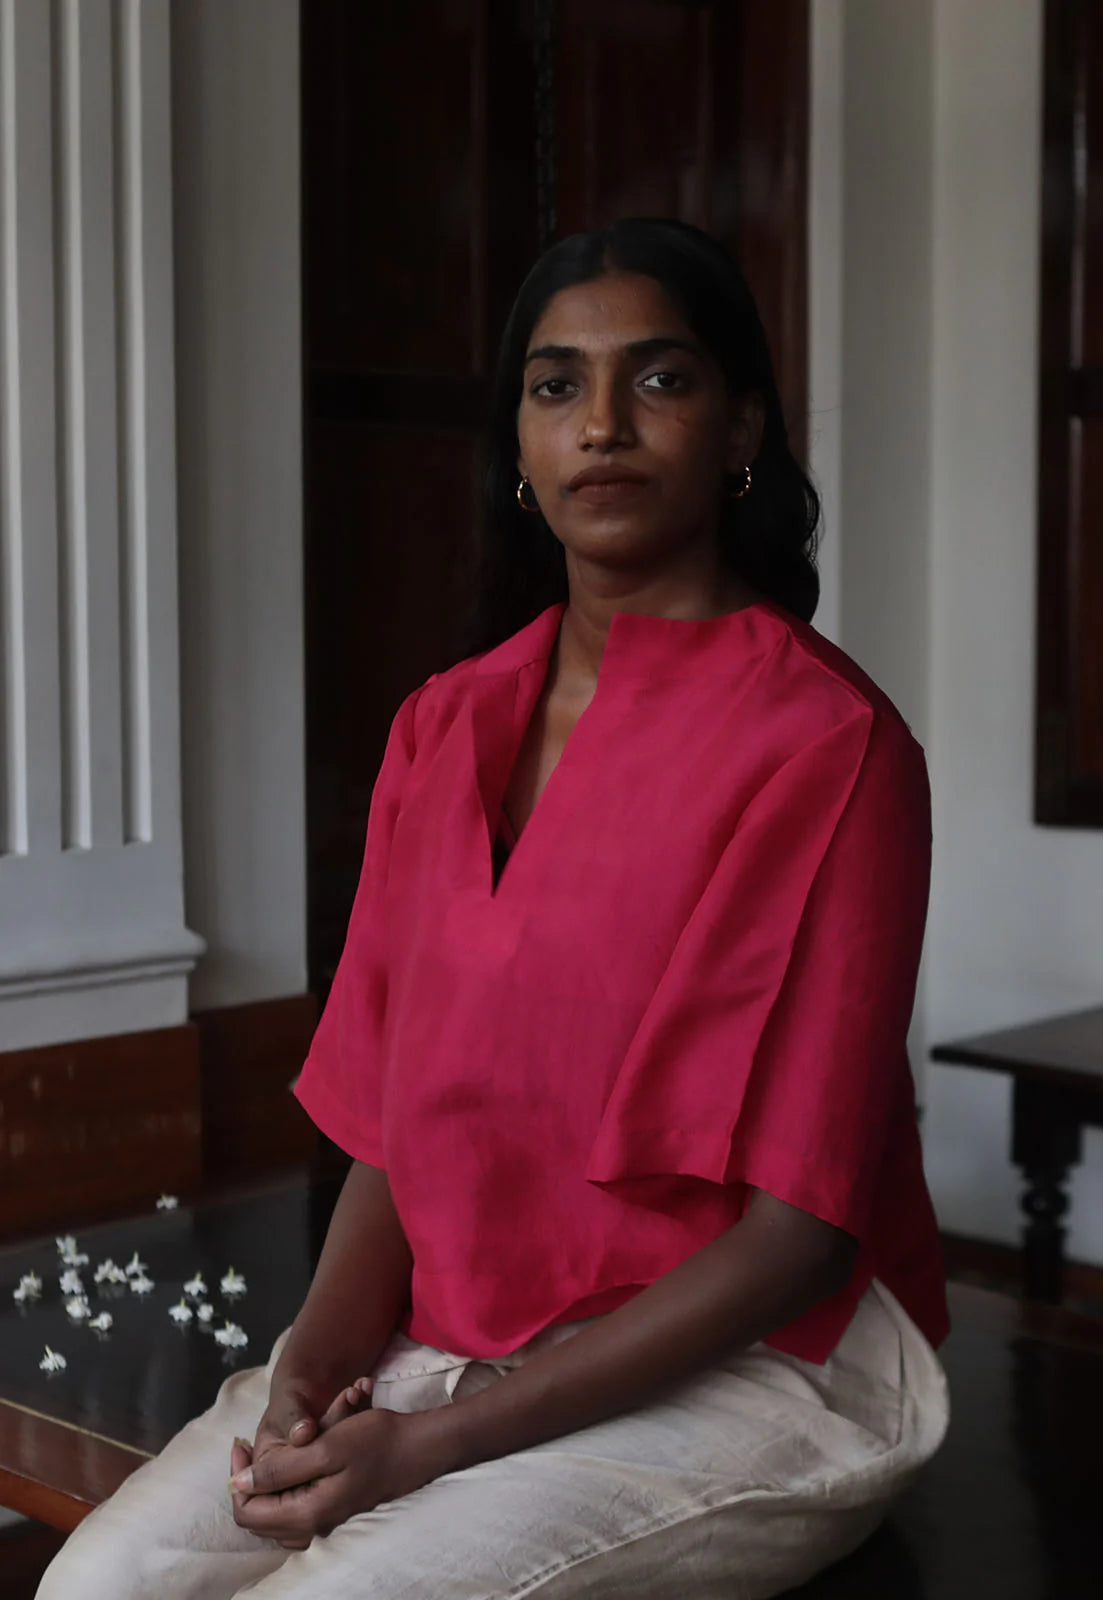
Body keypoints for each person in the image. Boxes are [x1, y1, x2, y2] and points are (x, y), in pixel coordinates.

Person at [38, 217, 950, 1600]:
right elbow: (397, 1142)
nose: (601, 424)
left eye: (659, 379)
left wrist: (434, 1446)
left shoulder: (831, 747)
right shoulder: (443, 728)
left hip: (758, 1372)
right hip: (445, 1339)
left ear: (740, 425)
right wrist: (314, 1377)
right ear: (518, 450)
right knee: (90, 1587)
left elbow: (794, 1238)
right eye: (554, 384)